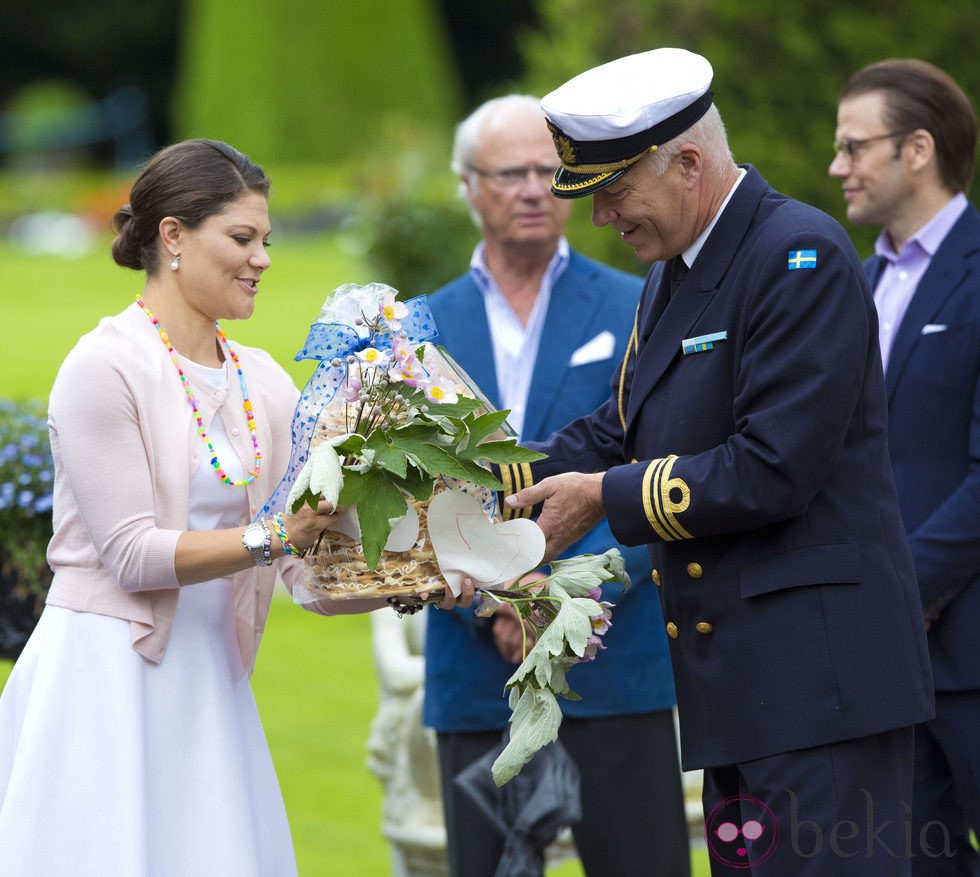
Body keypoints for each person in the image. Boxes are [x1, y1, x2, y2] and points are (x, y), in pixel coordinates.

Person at [499, 49, 935, 875]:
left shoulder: (798, 254)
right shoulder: (678, 271)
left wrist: (602, 498)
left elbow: (775, 466)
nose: (602, 219)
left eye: (614, 191)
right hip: (745, 693)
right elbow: (620, 425)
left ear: (688, 163)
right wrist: (472, 489)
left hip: (820, 692)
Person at [0, 138, 469, 877]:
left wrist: (423, 578)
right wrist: (273, 534)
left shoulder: (266, 382)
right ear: (174, 236)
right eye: (243, 238)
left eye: (268, 241)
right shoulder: (103, 366)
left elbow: (309, 578)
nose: (263, 258)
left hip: (210, 685)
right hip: (106, 682)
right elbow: (132, 554)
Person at [423, 94, 690, 877]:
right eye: (512, 172)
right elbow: (416, 492)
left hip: (614, 654)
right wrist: (500, 602)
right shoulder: (419, 332)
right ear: (469, 185)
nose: (537, 188)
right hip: (479, 670)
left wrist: (571, 596)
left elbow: (661, 459)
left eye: (552, 171)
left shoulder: (644, 299)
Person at [829, 59, 980, 876]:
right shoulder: (854, 285)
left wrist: (902, 588)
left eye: (855, 146)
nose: (837, 166)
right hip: (882, 672)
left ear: (917, 148)